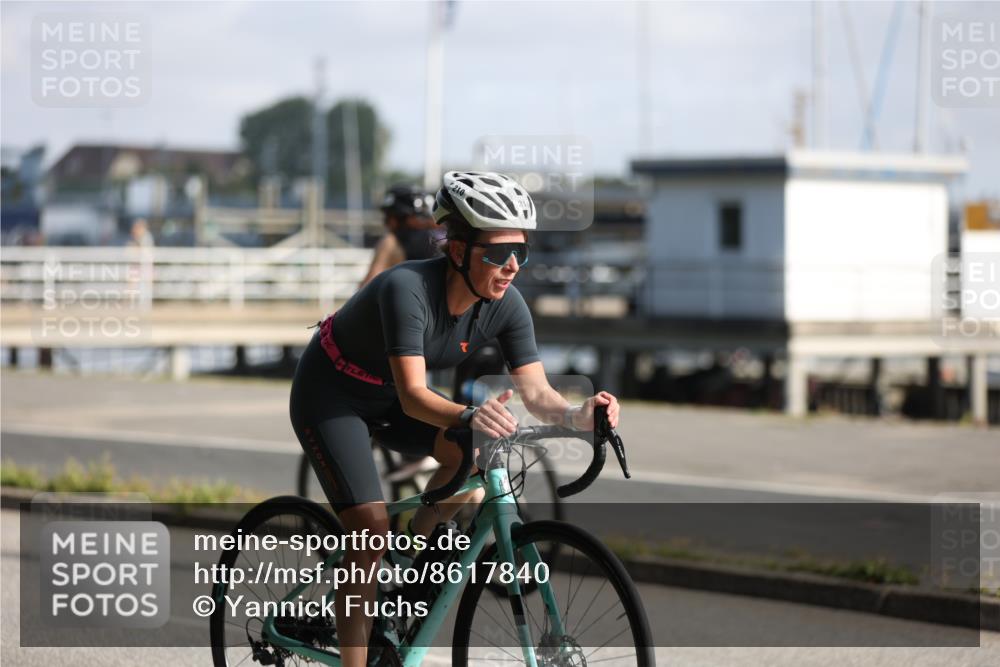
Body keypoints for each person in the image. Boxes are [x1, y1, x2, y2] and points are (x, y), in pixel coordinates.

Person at [289, 170, 620, 665]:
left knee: (470, 465)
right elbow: (415, 396)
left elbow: (538, 394)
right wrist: (472, 413)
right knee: (370, 530)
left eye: (520, 253)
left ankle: (405, 568)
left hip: (386, 394)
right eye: (496, 254)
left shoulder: (507, 306)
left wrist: (582, 415)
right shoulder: (407, 288)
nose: (511, 267)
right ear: (459, 249)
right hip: (331, 393)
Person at [358, 184, 441, 288]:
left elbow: (367, 286)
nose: (386, 223)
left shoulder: (391, 242)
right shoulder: (445, 243)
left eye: (388, 217)